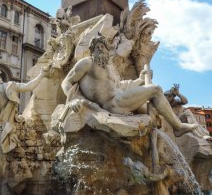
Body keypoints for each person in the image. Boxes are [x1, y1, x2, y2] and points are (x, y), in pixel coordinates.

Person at [61, 35, 197, 136]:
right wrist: (72, 99)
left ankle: (162, 143)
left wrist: (140, 79)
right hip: (114, 104)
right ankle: (178, 127)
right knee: (155, 90)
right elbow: (66, 81)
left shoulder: (108, 67)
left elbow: (120, 86)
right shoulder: (87, 63)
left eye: (103, 47)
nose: (100, 50)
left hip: (121, 99)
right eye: (97, 47)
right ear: (92, 50)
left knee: (155, 112)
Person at [0, 66, 50, 153]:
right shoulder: (9, 86)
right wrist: (41, 74)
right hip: (8, 125)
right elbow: (29, 86)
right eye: (0, 77)